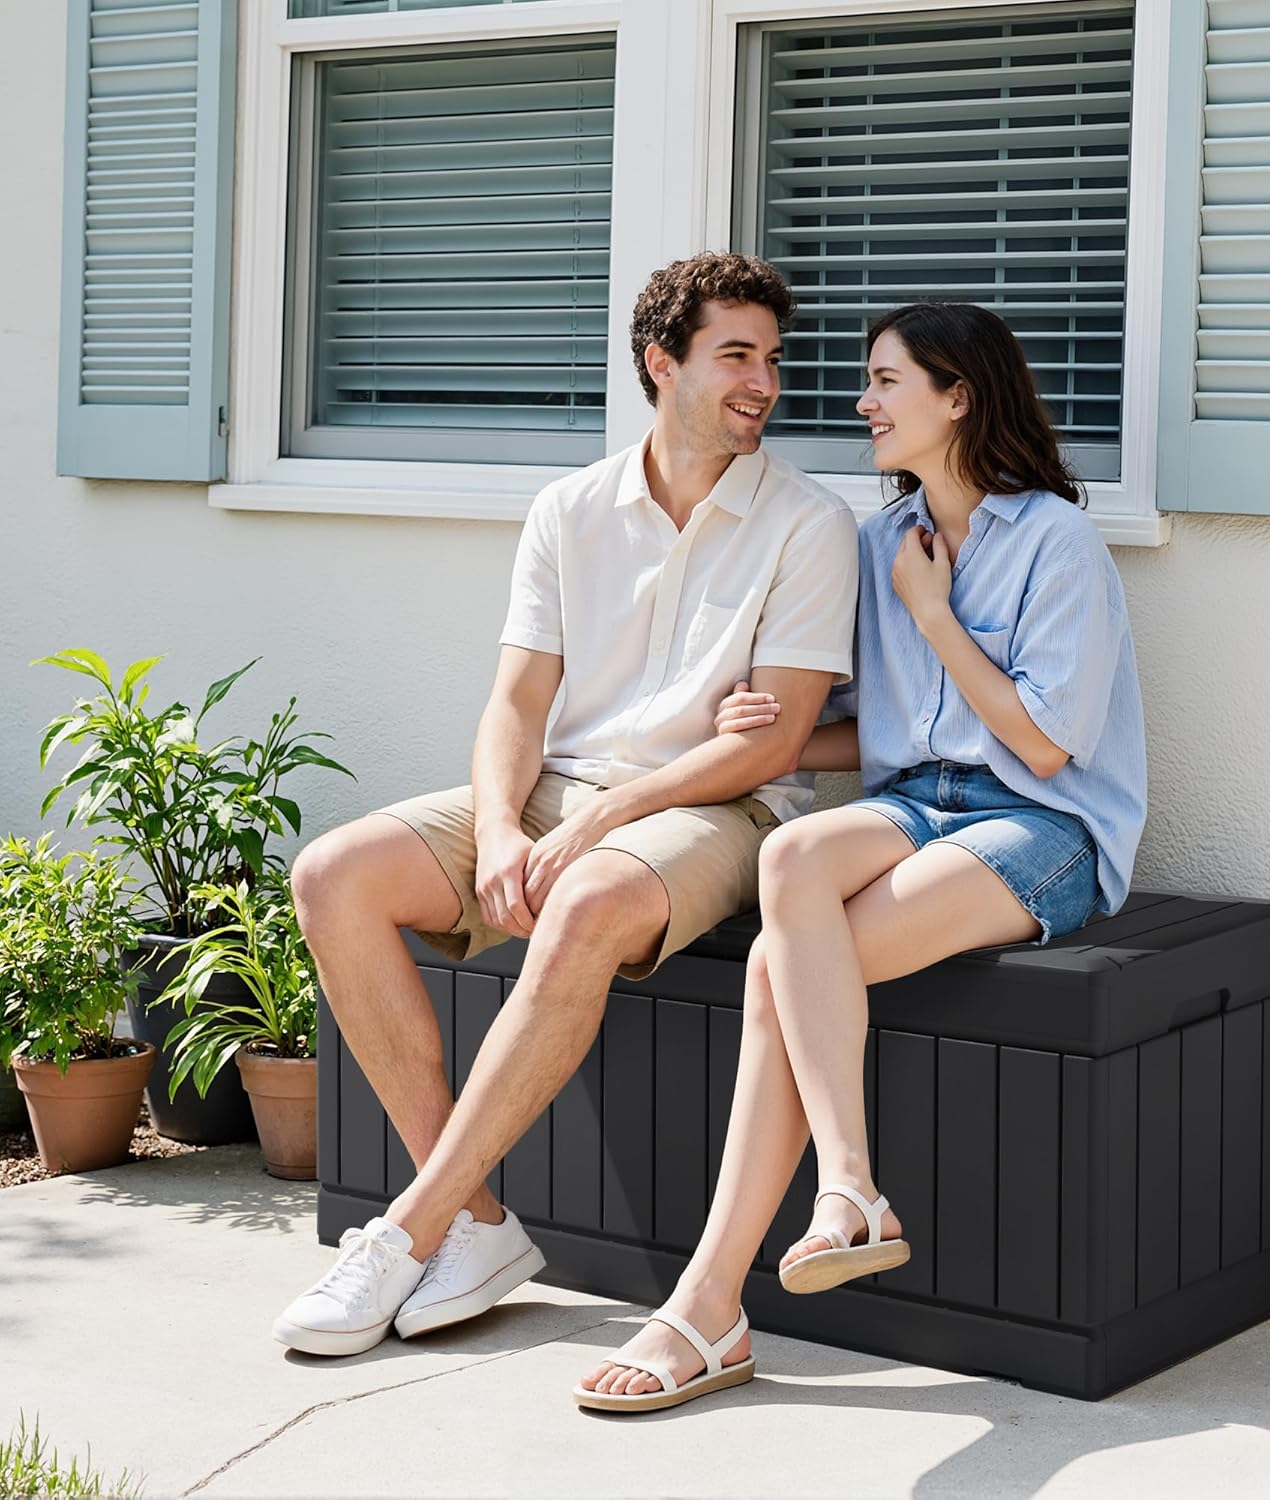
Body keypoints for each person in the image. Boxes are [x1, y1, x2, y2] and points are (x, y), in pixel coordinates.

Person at [273, 253, 858, 1358]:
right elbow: (517, 701)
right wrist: (500, 823)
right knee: (332, 875)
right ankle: (482, 1222)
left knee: (584, 900)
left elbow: (776, 742)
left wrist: (601, 815)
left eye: (772, 360)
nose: (762, 383)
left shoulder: (809, 525)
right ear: (661, 363)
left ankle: (410, 1228)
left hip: (723, 811)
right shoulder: (570, 510)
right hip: (559, 791)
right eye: (735, 356)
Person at [575, 301, 1146, 1412]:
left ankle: (709, 1304)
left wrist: (934, 616)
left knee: (775, 970)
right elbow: (875, 728)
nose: (860, 403)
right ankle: (845, 1188)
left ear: (960, 397)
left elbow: (1037, 740)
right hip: (915, 805)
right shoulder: (878, 540)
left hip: (1040, 827)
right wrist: (755, 733)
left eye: (886, 383)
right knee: (793, 865)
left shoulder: (1055, 542)